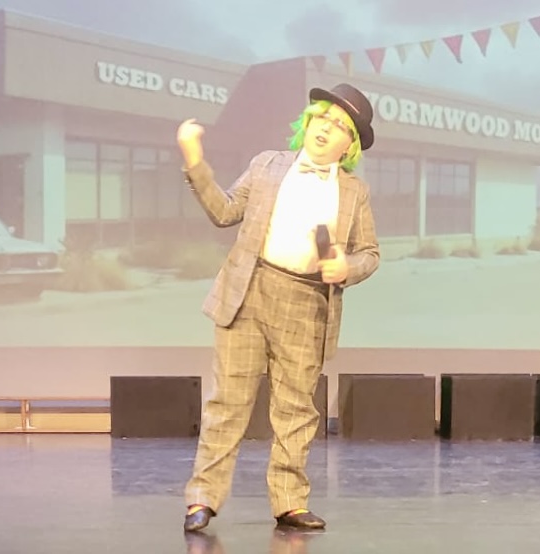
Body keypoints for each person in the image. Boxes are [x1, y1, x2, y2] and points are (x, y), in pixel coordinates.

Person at [176, 83, 380, 532]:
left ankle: (290, 501)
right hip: (248, 292)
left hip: (306, 303)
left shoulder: (354, 192)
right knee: (227, 403)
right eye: (321, 117)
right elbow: (224, 211)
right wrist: (195, 160)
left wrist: (346, 267)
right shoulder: (267, 164)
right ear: (307, 122)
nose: (325, 128)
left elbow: (370, 253)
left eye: (339, 126)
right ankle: (202, 499)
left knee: (295, 410)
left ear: (349, 145)